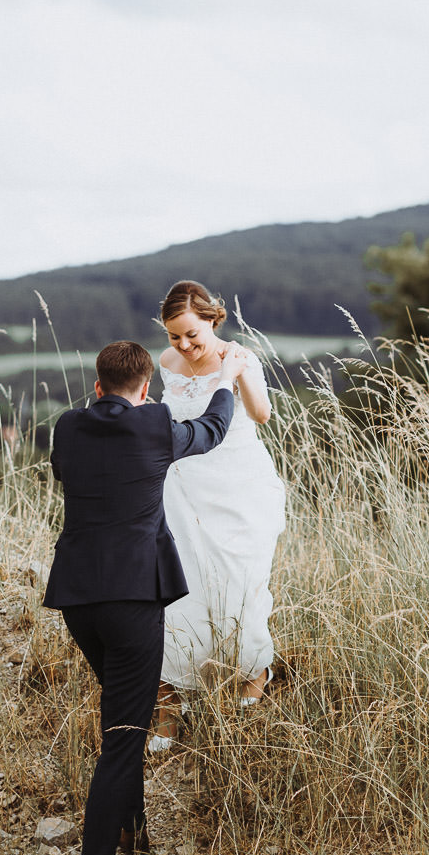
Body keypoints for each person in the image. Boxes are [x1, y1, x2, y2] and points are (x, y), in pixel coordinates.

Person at [43, 337, 248, 855]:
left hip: (80, 599)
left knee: (119, 710)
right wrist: (226, 380)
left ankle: (131, 830)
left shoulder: (67, 428)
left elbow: (69, 471)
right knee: (125, 732)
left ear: (98, 385)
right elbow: (210, 430)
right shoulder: (154, 424)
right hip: (133, 598)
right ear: (144, 390)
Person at [154, 280, 286, 746]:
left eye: (192, 334)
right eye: (174, 336)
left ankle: (253, 677)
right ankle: (175, 696)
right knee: (178, 590)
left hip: (235, 487)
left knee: (239, 582)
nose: (184, 346)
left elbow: (262, 415)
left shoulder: (241, 357)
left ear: (212, 319)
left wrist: (232, 375)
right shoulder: (168, 364)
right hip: (182, 489)